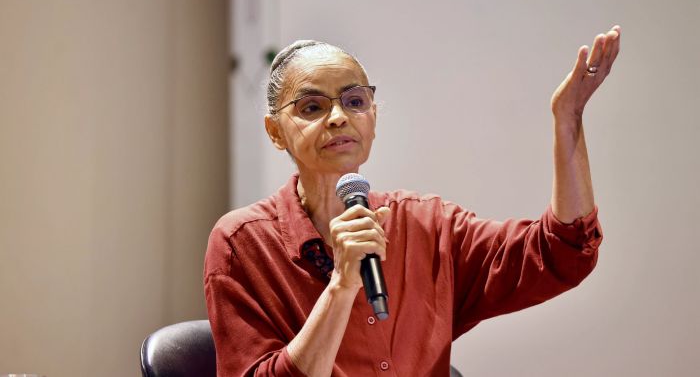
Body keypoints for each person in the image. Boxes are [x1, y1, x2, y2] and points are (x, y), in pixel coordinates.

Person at [204, 26, 621, 377]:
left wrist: (568, 123)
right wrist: (342, 286)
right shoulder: (241, 243)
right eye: (312, 106)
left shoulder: (427, 224)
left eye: (354, 101)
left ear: (373, 117)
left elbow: (560, 253)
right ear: (275, 132)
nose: (338, 117)